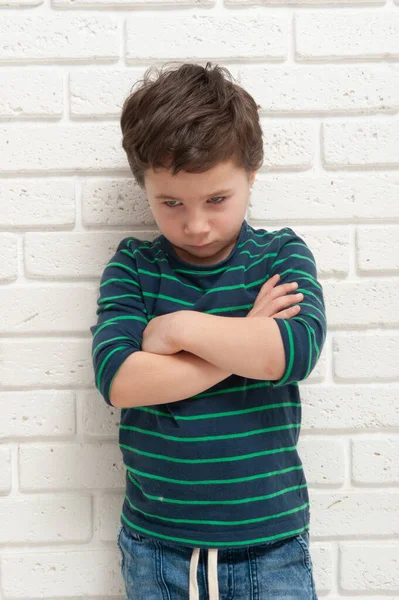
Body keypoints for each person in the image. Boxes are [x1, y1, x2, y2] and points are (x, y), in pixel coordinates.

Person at [90, 61, 326, 600]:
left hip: (272, 544)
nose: (195, 225)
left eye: (216, 200)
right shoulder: (133, 267)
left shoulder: (279, 255)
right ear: (145, 187)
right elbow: (121, 381)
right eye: (171, 203)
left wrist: (178, 328)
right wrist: (245, 334)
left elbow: (289, 354)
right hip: (157, 546)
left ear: (251, 176)